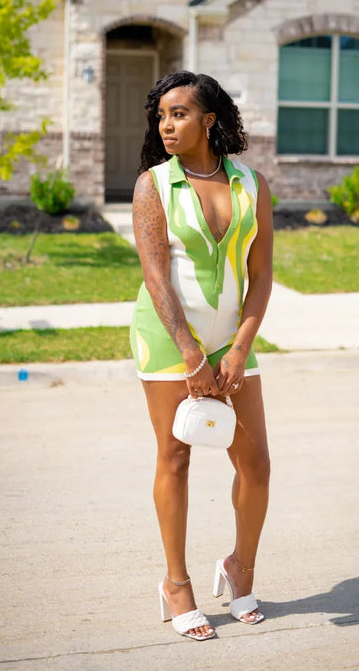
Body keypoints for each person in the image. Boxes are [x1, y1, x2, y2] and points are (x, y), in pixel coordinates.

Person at [130, 71, 273, 641]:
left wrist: (240, 346)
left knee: (255, 464)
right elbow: (155, 275)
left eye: (180, 113)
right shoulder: (153, 185)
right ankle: (176, 583)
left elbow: (261, 275)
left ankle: (240, 567)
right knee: (176, 458)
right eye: (162, 115)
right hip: (168, 337)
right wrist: (191, 352)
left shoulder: (250, 183)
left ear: (209, 120)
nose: (167, 125)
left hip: (231, 339)